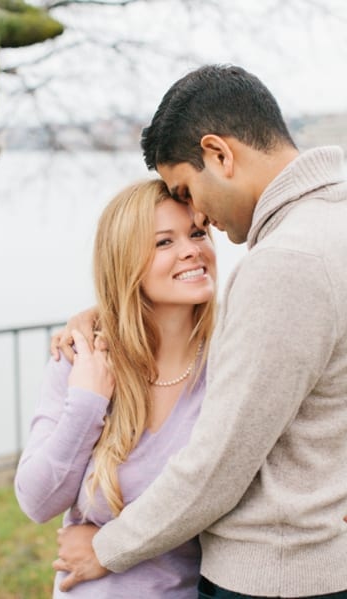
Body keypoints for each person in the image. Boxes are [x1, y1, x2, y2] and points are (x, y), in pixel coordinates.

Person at [53, 64, 347, 598]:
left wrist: (107, 548)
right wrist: (106, 313)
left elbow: (218, 464)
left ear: (219, 154)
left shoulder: (286, 261)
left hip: (272, 576)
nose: (203, 218)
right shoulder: (334, 226)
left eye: (187, 189)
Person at [15, 178, 217, 597]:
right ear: (125, 262)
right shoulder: (82, 358)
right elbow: (37, 501)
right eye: (164, 242)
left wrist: (108, 547)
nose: (191, 249)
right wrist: (86, 405)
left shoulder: (230, 364)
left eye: (197, 233)